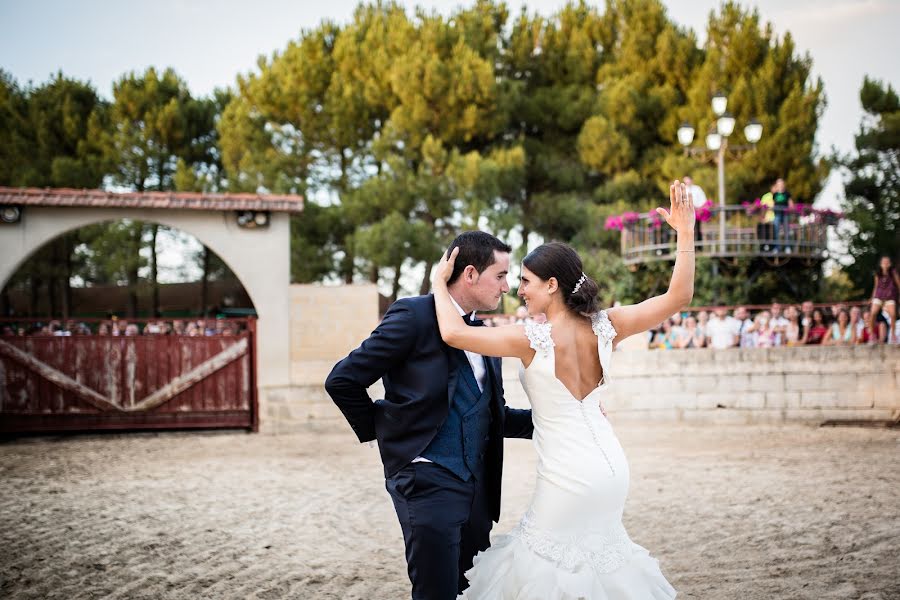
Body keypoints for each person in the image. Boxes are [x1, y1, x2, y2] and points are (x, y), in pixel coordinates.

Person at [431, 181, 693, 598]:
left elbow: (451, 332)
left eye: (527, 281)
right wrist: (685, 232)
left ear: (552, 285)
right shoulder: (608, 326)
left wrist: (438, 282)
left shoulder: (529, 339)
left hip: (567, 477)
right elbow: (679, 295)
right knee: (599, 567)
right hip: (612, 469)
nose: (518, 290)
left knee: (544, 570)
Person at [325, 231, 535, 600]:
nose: (507, 288)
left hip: (476, 490)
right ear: (470, 274)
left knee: (471, 589)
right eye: (500, 276)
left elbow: (492, 414)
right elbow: (342, 380)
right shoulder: (413, 315)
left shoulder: (485, 336)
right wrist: (391, 433)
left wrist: (556, 421)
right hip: (423, 479)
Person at [870, 256, 899, 344]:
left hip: (890, 296)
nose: (885, 264)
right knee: (873, 313)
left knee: (893, 315)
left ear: (890, 264)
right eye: (884, 262)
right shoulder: (878, 273)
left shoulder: (893, 273)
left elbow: (898, 284)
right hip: (879, 296)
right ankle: (872, 335)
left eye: (887, 262)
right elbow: (876, 286)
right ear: (881, 264)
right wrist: (872, 297)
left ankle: (893, 335)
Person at [772, 178, 794, 252]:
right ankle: (777, 247)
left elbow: (791, 204)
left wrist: (792, 209)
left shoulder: (787, 194)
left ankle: (787, 247)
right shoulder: (775, 194)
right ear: (777, 185)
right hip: (777, 214)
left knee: (786, 231)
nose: (780, 185)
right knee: (776, 230)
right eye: (779, 184)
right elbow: (773, 204)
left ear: (783, 185)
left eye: (781, 184)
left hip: (785, 214)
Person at [684, 175, 707, 246]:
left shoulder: (697, 188)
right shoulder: (684, 189)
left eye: (688, 180)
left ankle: (699, 247)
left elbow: (703, 200)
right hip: (687, 212)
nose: (687, 182)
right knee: (688, 230)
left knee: (697, 229)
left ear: (691, 180)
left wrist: (698, 208)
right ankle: (689, 245)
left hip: (697, 212)